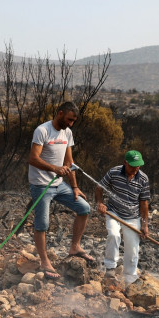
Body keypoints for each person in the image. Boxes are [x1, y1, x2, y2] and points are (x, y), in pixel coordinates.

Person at [28, 101, 94, 279]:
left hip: (59, 185)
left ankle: (75, 247)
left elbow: (69, 162)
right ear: (60, 113)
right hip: (41, 184)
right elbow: (33, 159)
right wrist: (55, 169)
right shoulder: (42, 131)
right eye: (69, 119)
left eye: (73, 121)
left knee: (84, 208)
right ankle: (44, 261)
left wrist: (74, 187)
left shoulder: (68, 133)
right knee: (42, 224)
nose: (71, 124)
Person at [95, 150, 150, 285]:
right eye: (132, 166)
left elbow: (144, 203)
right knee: (114, 235)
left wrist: (144, 224)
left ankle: (130, 278)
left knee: (132, 248)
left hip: (132, 216)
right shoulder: (113, 172)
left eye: (138, 166)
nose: (135, 169)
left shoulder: (143, 179)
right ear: (125, 163)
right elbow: (99, 187)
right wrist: (100, 203)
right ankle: (110, 269)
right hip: (114, 212)